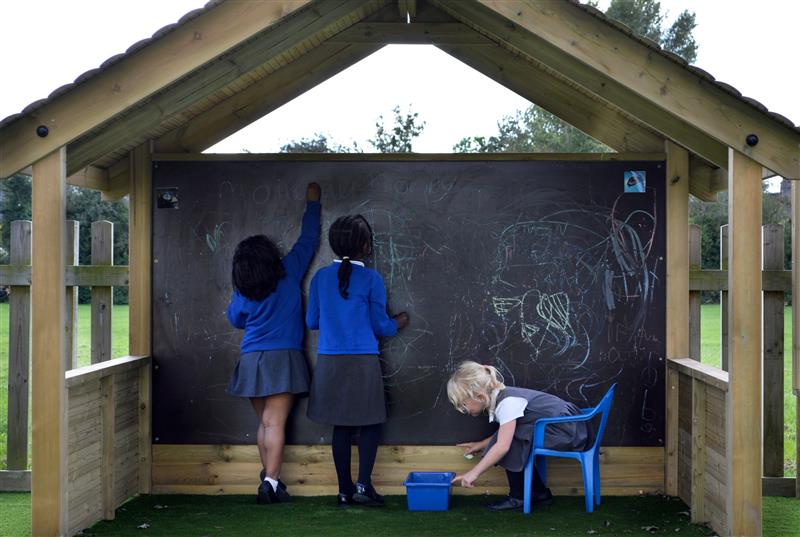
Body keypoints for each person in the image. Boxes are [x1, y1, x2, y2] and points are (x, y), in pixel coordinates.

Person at [226, 182, 321, 505]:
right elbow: (308, 240)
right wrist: (313, 204)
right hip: (284, 358)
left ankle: (268, 478)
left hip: (252, 360)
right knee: (275, 422)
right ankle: (271, 480)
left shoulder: (243, 292)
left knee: (264, 423)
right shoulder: (290, 271)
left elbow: (235, 320)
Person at [305, 214, 409, 507]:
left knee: (342, 426)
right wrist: (397, 322)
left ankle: (344, 491)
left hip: (329, 362)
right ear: (366, 246)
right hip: (362, 361)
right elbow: (380, 326)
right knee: (371, 423)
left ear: (334, 244)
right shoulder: (372, 279)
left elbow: (312, 320)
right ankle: (364, 486)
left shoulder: (320, 278)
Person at [447, 361, 594, 511]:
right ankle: (539, 493)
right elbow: (505, 432)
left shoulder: (507, 403)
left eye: (464, 404)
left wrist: (473, 473)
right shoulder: (502, 398)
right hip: (562, 427)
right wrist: (482, 444)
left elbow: (503, 446)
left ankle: (518, 497)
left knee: (510, 443)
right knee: (512, 437)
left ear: (480, 397)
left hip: (567, 431)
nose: (462, 410)